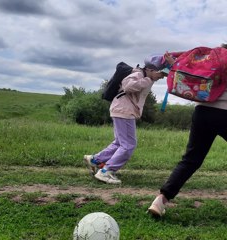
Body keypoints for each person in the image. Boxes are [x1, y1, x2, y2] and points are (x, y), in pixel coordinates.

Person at [148, 43, 227, 217]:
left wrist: (170, 62)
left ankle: (161, 200)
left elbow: (185, 63)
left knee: (191, 160)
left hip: (202, 112)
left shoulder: (210, 58)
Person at [83, 59, 165, 184]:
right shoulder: (139, 74)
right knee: (129, 145)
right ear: (150, 70)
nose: (161, 77)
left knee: (120, 142)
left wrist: (152, 78)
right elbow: (128, 86)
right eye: (160, 74)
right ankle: (106, 171)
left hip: (121, 109)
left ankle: (95, 160)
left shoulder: (144, 75)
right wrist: (149, 79)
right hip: (124, 111)